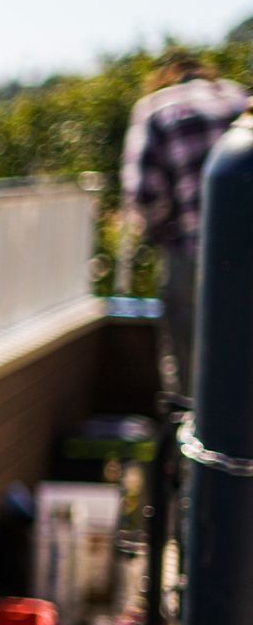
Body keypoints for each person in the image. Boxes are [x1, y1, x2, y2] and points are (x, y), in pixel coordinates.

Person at [120, 48, 247, 393]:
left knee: (193, 374)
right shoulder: (239, 98)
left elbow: (147, 196)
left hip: (193, 253)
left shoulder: (157, 108)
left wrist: (151, 233)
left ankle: (193, 436)